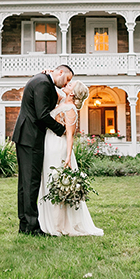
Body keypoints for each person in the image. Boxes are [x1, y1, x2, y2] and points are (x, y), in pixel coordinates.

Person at [12, 65, 74, 236]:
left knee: (25, 184)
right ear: (60, 72)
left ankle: (25, 225)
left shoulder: (42, 80)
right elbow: (42, 114)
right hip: (31, 138)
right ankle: (31, 226)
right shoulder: (43, 83)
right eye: (67, 79)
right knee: (31, 183)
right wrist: (61, 130)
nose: (66, 84)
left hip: (26, 136)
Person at [37, 79, 104, 236]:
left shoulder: (71, 109)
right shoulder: (61, 101)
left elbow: (70, 136)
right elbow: (53, 87)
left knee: (56, 183)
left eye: (70, 85)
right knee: (47, 181)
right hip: (48, 144)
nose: (67, 84)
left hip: (58, 148)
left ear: (73, 93)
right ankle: (46, 222)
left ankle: (58, 225)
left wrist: (68, 157)